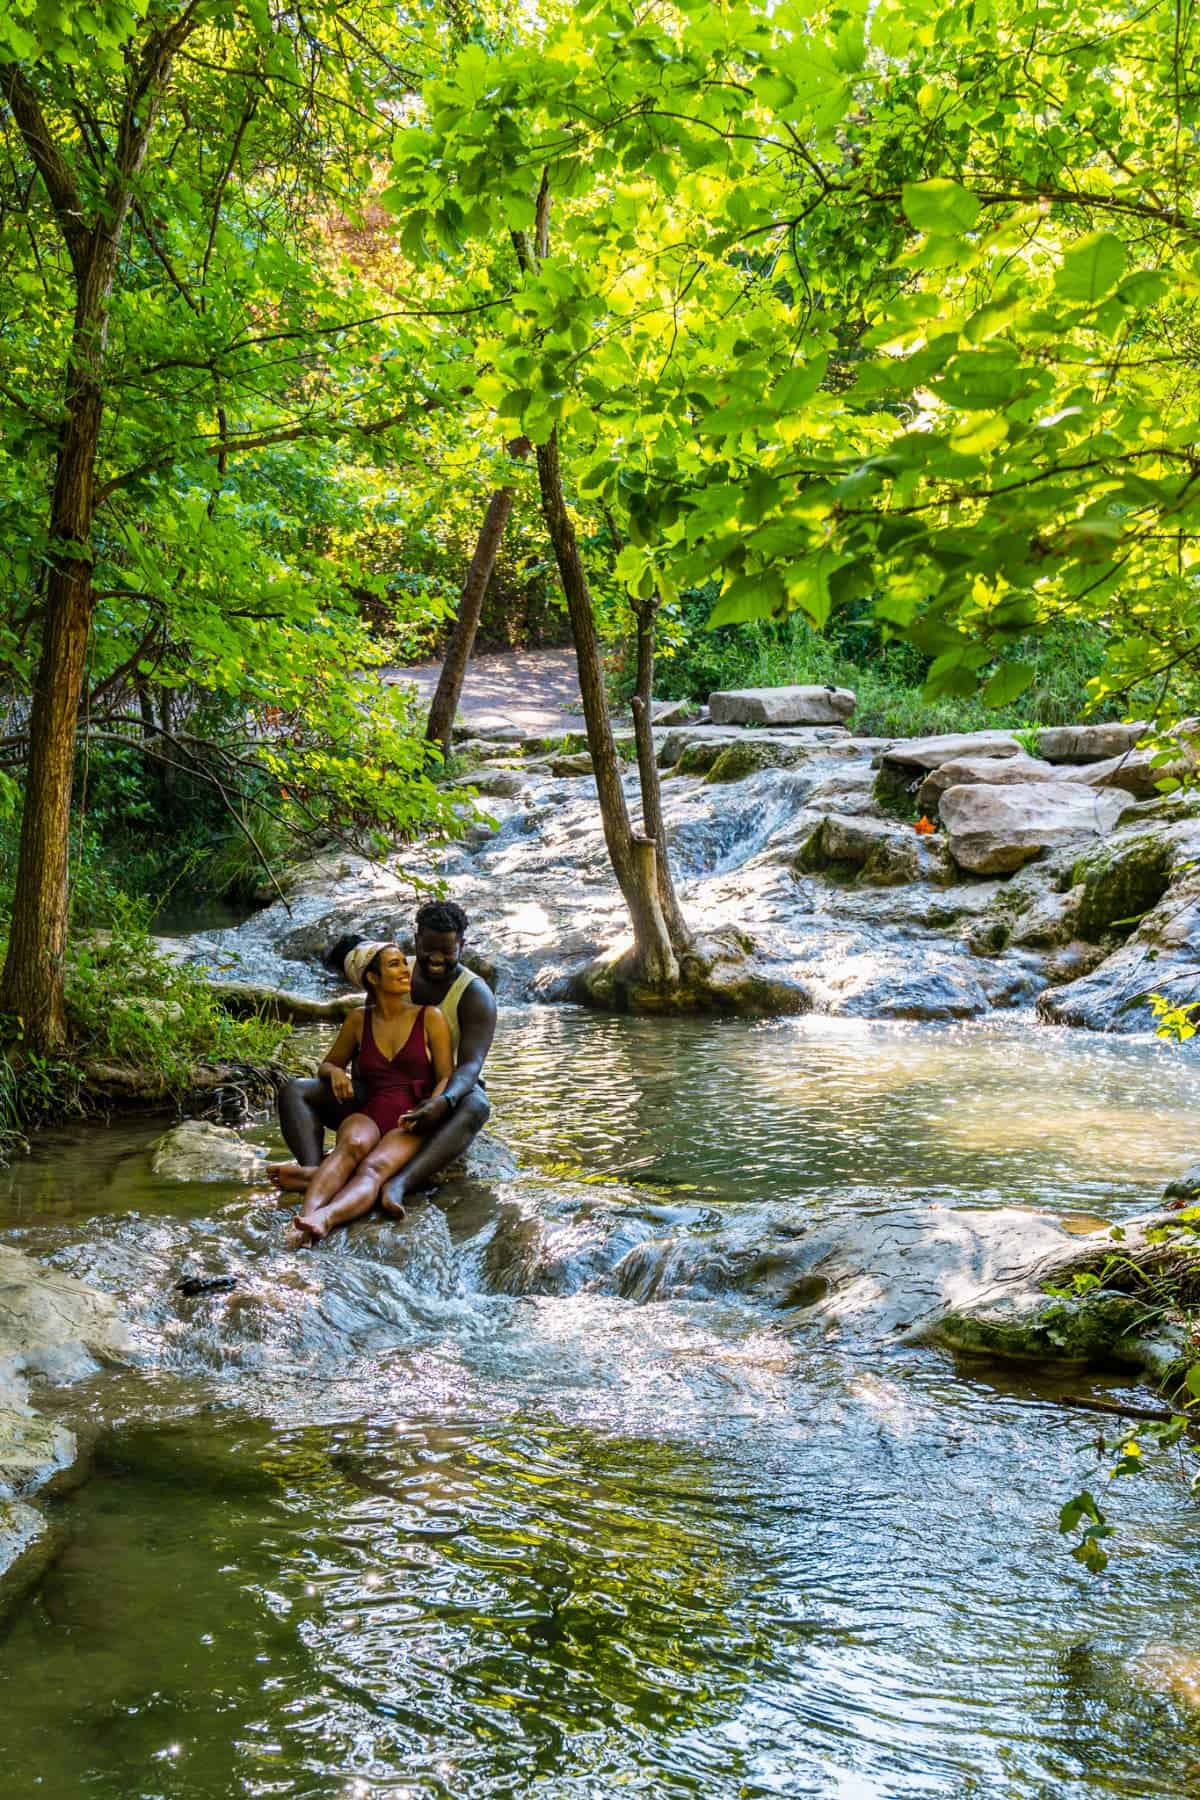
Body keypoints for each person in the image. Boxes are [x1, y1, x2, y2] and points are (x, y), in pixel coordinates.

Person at [269, 900, 496, 1217]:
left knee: (478, 1104)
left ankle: (400, 1183)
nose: (436, 960)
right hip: (380, 1093)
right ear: (416, 940)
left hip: (442, 1095)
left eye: (447, 951)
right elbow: (366, 1039)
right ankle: (314, 1172)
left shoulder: (475, 994)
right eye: (428, 949)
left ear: (462, 945)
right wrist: (341, 1077)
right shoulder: (393, 971)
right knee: (296, 1091)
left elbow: (470, 1066)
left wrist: (443, 1100)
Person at [290, 942, 453, 1241]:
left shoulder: (431, 1017)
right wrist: (337, 1072)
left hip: (411, 1117)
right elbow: (326, 1065)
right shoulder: (357, 1019)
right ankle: (303, 1218)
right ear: (373, 978)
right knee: (349, 1147)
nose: (406, 969)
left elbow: (446, 1076)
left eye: (405, 962)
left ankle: (325, 1218)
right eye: (394, 964)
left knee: (374, 1168)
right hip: (371, 1111)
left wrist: (432, 1108)